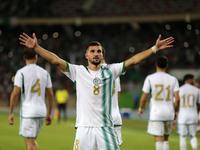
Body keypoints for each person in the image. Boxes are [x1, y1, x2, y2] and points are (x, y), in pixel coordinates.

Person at [19, 32, 174, 150]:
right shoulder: (77, 71)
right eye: (92, 51)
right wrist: (37, 48)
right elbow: (55, 60)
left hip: (105, 128)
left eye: (99, 51)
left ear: (102, 55)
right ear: (86, 55)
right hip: (83, 128)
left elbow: (134, 60)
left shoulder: (111, 71)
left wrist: (154, 48)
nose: (96, 54)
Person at [8, 48, 54, 150]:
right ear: (36, 57)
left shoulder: (21, 72)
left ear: (24, 58)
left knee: (29, 144)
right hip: (41, 111)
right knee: (32, 142)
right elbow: (50, 94)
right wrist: (50, 113)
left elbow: (15, 93)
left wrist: (11, 112)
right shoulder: (45, 73)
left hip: (28, 112)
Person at [138, 55, 180, 150]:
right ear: (167, 66)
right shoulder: (173, 79)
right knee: (165, 138)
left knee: (158, 139)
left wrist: (141, 108)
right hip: (169, 113)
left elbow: (144, 97)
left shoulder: (150, 78)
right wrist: (175, 111)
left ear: (156, 65)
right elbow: (177, 99)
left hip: (156, 113)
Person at [101, 55, 123, 146]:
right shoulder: (115, 72)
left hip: (102, 118)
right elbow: (118, 98)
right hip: (116, 116)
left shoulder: (95, 73)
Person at [177, 74, 200, 150]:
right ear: (189, 79)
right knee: (193, 136)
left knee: (182, 136)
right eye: (193, 79)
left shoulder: (179, 89)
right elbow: (199, 104)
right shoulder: (197, 90)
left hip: (182, 115)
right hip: (193, 115)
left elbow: (176, 101)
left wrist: (175, 111)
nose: (194, 81)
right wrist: (196, 112)